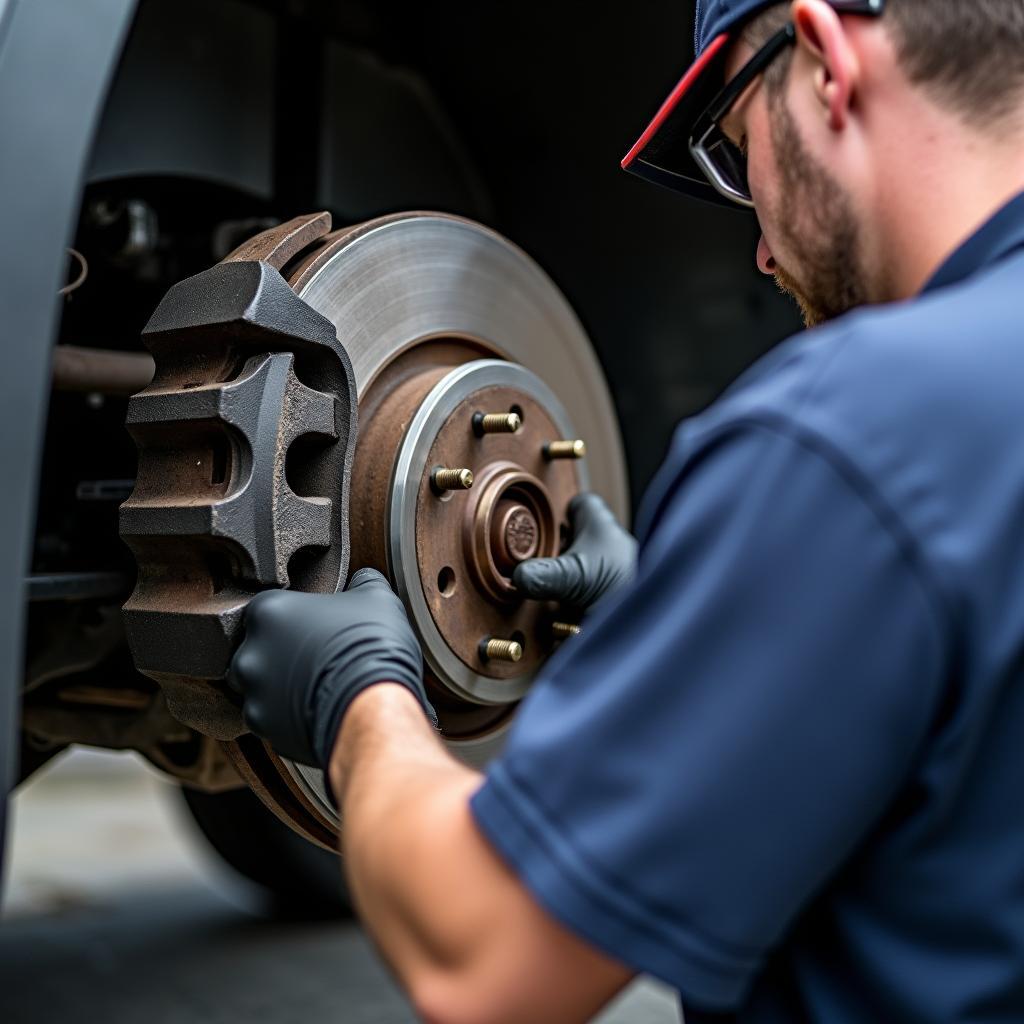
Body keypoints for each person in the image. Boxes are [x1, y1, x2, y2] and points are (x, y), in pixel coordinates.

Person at [230, 0, 1024, 1019]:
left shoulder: (849, 434)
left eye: (738, 154)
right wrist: (707, 630)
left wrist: (357, 699)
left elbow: (484, 956)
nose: (762, 254)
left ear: (824, 58)